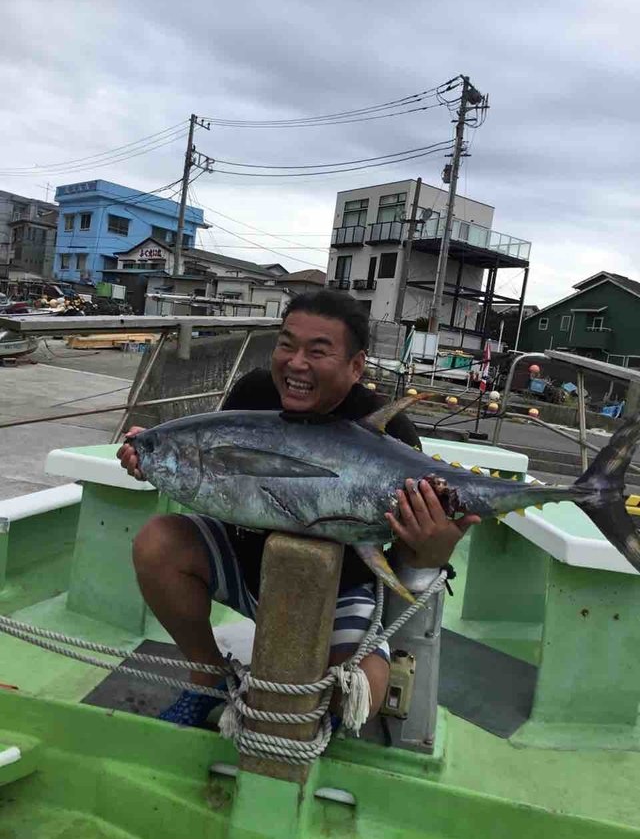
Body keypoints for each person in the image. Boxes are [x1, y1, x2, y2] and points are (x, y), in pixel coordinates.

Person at [117, 291, 480, 728]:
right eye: (286, 344)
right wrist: (156, 462)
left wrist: (430, 554)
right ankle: (208, 674)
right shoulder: (254, 391)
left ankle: (315, 710)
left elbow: (402, 554)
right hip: (248, 569)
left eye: (318, 351)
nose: (296, 363)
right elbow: (219, 485)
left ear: (356, 366)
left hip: (341, 591)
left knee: (364, 690)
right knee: (158, 543)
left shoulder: (390, 431)